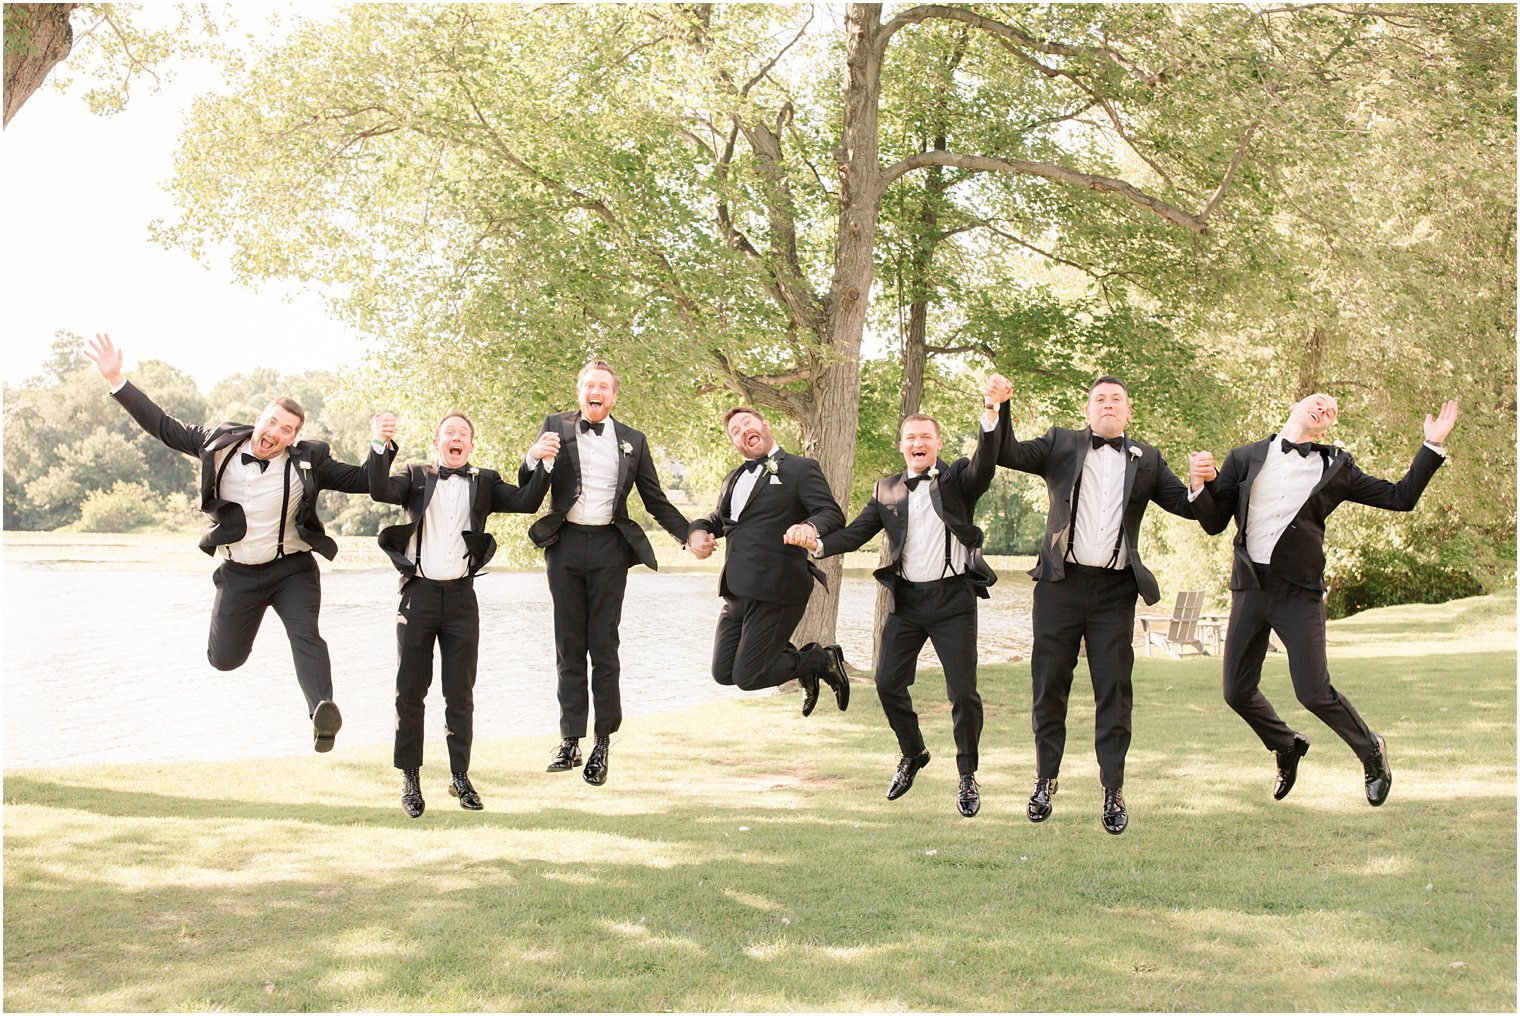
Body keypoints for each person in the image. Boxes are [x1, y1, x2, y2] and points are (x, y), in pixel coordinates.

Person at [85, 332, 379, 753]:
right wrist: (117, 380)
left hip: (291, 568)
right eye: (272, 421)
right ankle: (250, 658)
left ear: (294, 438)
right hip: (239, 573)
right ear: (259, 419)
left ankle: (322, 711)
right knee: (224, 659)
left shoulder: (307, 461)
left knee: (306, 634)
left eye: (287, 429)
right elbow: (163, 425)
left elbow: (364, 480)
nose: (276, 432)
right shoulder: (218, 443)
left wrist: (379, 446)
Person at [1190, 394, 1458, 807]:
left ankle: (1371, 750)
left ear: (1326, 428)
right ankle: (1286, 745)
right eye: (1317, 402)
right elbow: (1213, 522)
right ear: (1296, 405)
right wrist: (1198, 485)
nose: (1323, 409)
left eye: (1331, 411)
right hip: (1250, 586)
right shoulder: (1243, 457)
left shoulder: (1335, 468)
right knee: (1236, 691)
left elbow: (1400, 497)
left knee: (1313, 692)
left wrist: (1432, 445)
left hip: (1298, 592)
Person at [785, 376, 1010, 816]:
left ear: (938, 443)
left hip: (953, 601)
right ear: (901, 446)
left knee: (963, 693)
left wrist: (990, 410)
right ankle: (913, 753)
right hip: (906, 602)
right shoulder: (886, 489)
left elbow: (986, 460)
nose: (918, 442)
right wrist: (816, 543)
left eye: (926, 436)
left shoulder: (961, 478)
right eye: (911, 437)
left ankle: (967, 776)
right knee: (888, 682)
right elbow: (854, 533)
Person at [997, 375, 1212, 834]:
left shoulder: (1148, 459)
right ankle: (1044, 780)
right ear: (1088, 409)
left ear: (1128, 412)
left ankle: (1113, 789)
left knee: (1113, 690)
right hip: (1059, 586)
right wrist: (998, 407)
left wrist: (1198, 484)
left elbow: (1186, 505)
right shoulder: (1060, 443)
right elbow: (1008, 452)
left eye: (1117, 399)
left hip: (1115, 592)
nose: (1108, 405)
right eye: (1100, 399)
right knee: (1049, 685)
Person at [367, 411, 556, 817]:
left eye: (464, 434)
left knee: (460, 694)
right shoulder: (415, 474)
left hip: (461, 602)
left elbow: (526, 502)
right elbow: (379, 489)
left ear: (471, 445)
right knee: (410, 692)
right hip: (416, 596)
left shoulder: (483, 481)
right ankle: (411, 779)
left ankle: (459, 776)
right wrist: (380, 445)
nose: (457, 438)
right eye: (449, 433)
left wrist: (539, 460)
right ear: (437, 443)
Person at [521, 360, 692, 786]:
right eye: (588, 385)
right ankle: (570, 739)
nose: (595, 391)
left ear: (614, 396)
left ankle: (602, 742)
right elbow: (528, 484)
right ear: (580, 391)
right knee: (568, 645)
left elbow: (654, 499)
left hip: (610, 549)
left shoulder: (633, 440)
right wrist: (532, 457)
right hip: (564, 545)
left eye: (603, 386)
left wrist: (688, 535)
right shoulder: (554, 426)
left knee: (604, 644)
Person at [686, 407, 848, 713]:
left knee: (748, 676)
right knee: (723, 673)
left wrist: (808, 527)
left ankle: (819, 659)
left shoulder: (801, 468)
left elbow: (831, 513)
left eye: (747, 423)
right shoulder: (733, 478)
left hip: (777, 590)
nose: (742, 430)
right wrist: (697, 531)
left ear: (764, 425)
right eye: (734, 431)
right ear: (735, 443)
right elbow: (720, 520)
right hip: (736, 591)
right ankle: (803, 663)